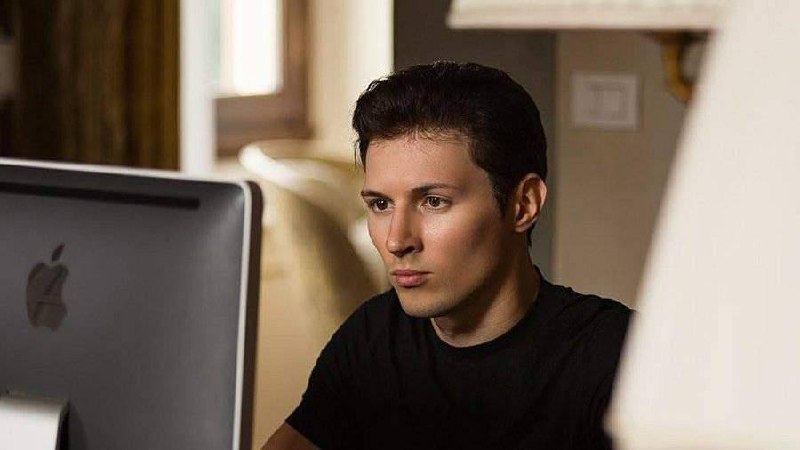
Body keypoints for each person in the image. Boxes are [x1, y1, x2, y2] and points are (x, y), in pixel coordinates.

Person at [263, 61, 632, 450]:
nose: (397, 240)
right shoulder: (373, 337)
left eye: (434, 201)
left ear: (523, 205)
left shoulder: (619, 359)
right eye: (381, 204)